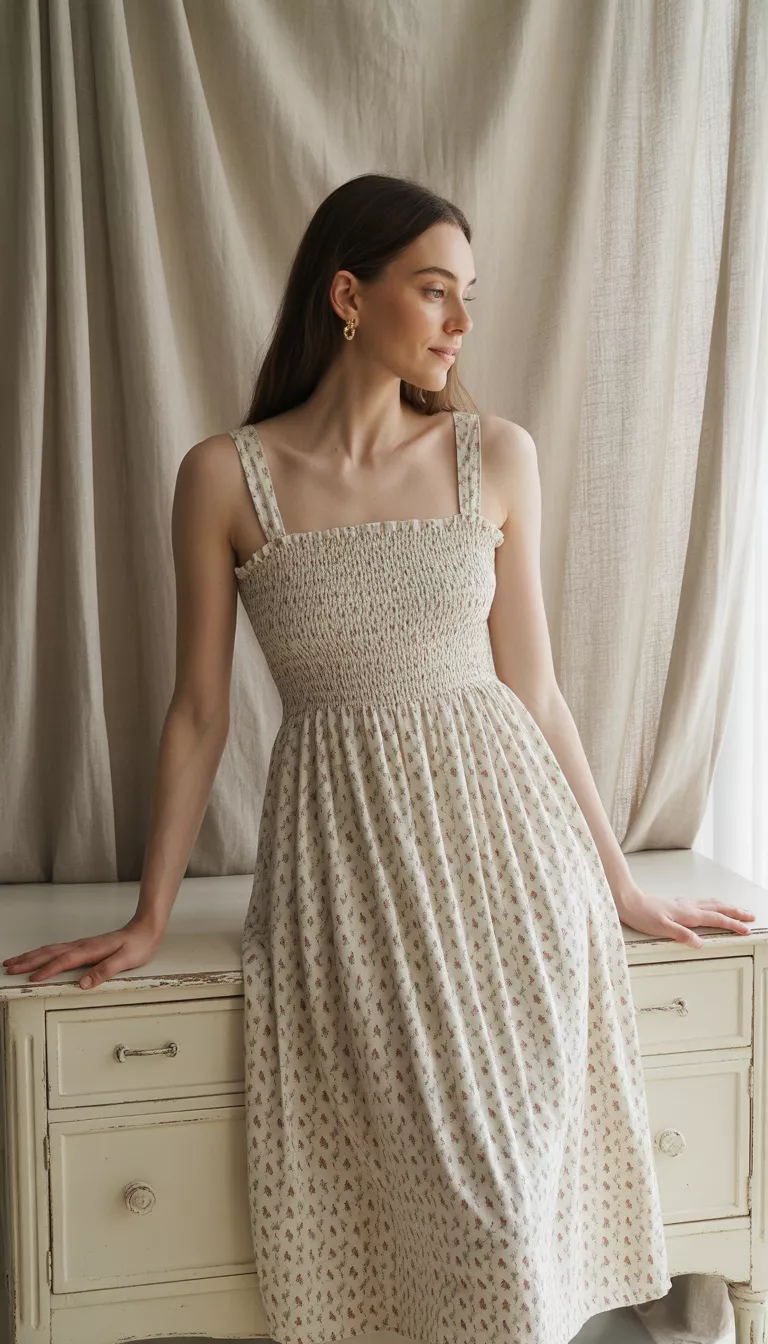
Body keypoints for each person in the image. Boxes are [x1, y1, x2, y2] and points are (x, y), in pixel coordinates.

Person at [4, 173, 756, 1344]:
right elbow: (198, 712)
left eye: (469, 297)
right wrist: (150, 918)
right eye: (436, 291)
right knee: (428, 1212)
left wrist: (618, 886)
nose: (461, 323)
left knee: (509, 1212)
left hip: (513, 865)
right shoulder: (225, 475)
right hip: (347, 872)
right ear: (349, 297)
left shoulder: (495, 455)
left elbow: (536, 691)